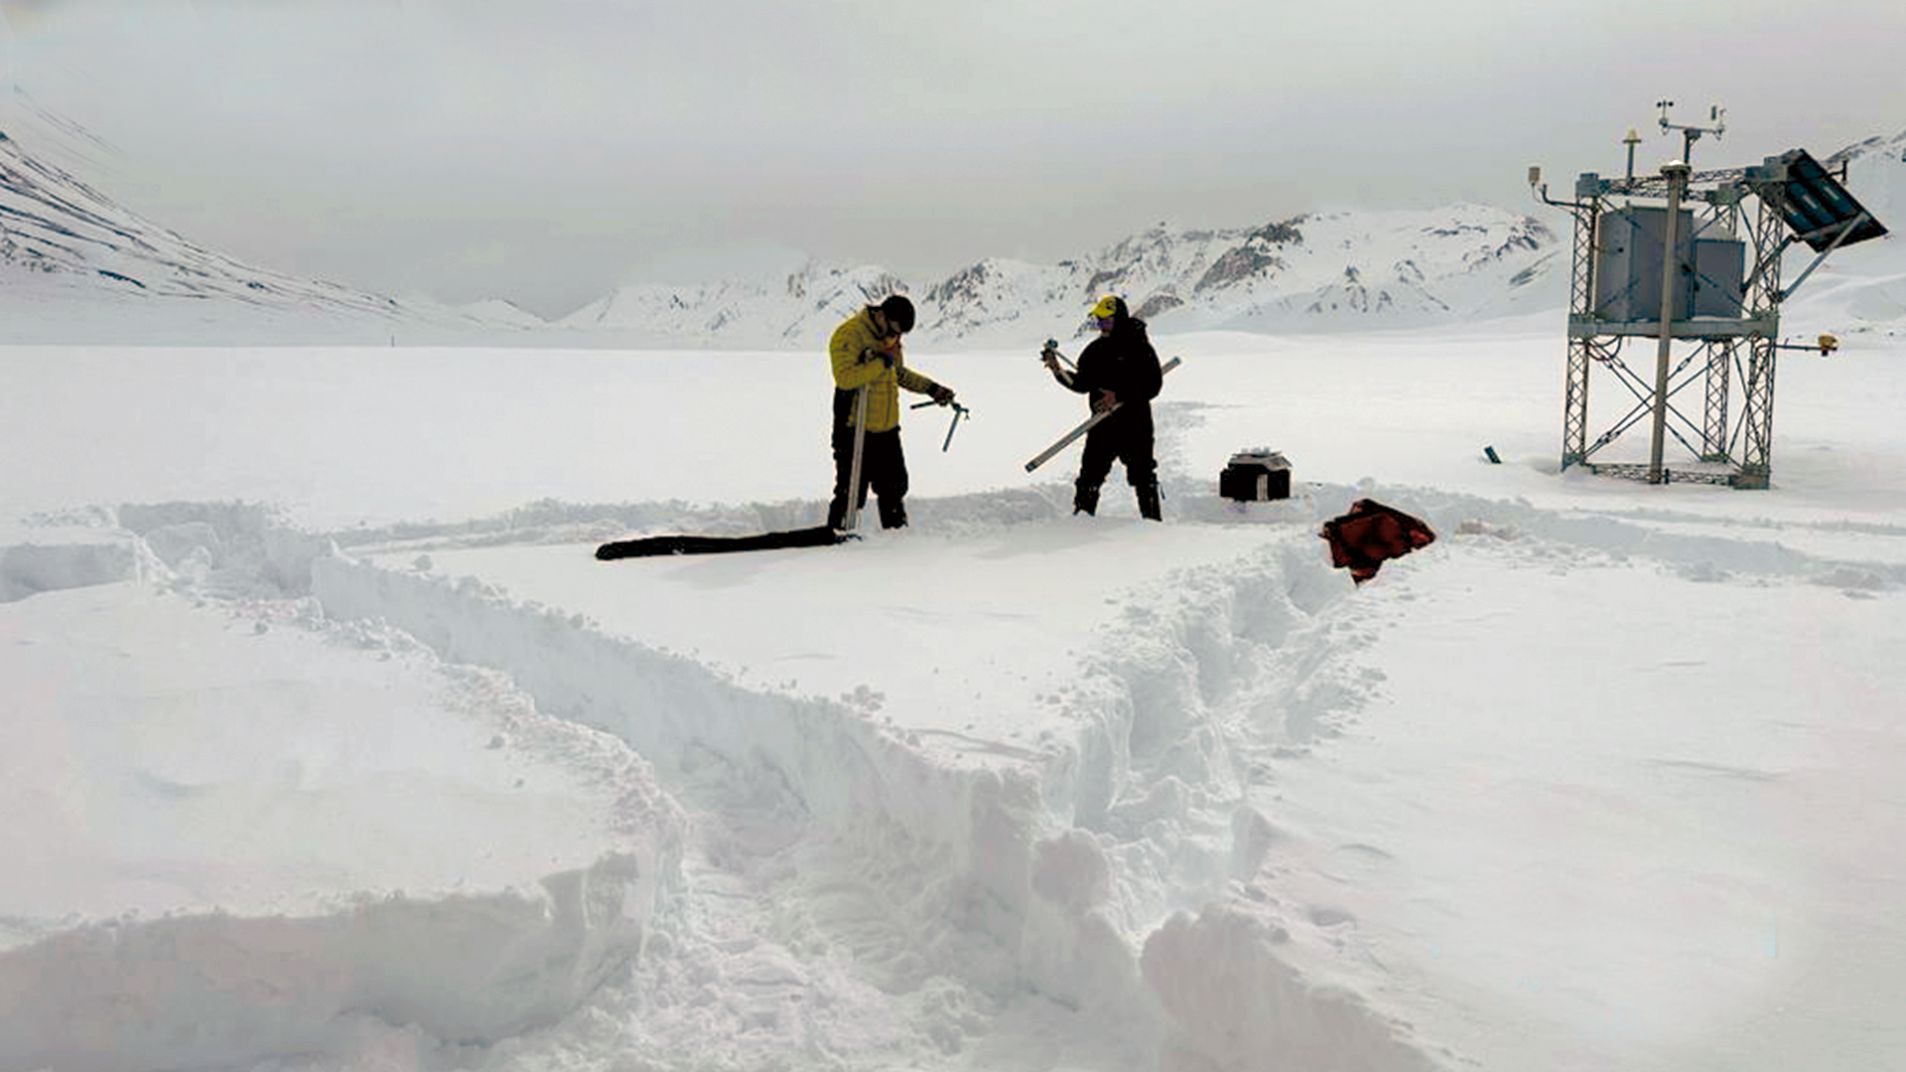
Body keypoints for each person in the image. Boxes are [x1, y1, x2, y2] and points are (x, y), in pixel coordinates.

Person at [826, 294, 955, 531]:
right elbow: (845, 378)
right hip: (853, 428)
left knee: (893, 488)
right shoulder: (849, 334)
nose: (895, 338)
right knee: (851, 491)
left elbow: (898, 374)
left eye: (900, 334)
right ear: (881, 315)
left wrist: (931, 388)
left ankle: (897, 540)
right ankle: (838, 538)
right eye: (894, 330)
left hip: (886, 430)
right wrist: (879, 364)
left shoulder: (891, 340)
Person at [1042, 294, 1163, 520]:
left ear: (1119, 319)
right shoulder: (1095, 350)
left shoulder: (1139, 346)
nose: (1101, 325)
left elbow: (1153, 384)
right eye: (1099, 321)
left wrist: (1119, 395)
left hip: (1135, 424)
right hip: (1102, 424)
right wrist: (1058, 370)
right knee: (1090, 475)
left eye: (1106, 320)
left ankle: (1152, 525)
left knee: (1143, 475)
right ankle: (1082, 521)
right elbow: (1082, 383)